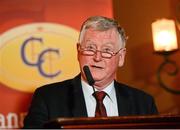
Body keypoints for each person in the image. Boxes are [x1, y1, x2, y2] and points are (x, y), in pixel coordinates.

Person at [23, 16, 158, 128]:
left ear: (121, 57)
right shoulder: (47, 98)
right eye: (90, 48)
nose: (97, 57)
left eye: (106, 50)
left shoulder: (144, 103)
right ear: (78, 51)